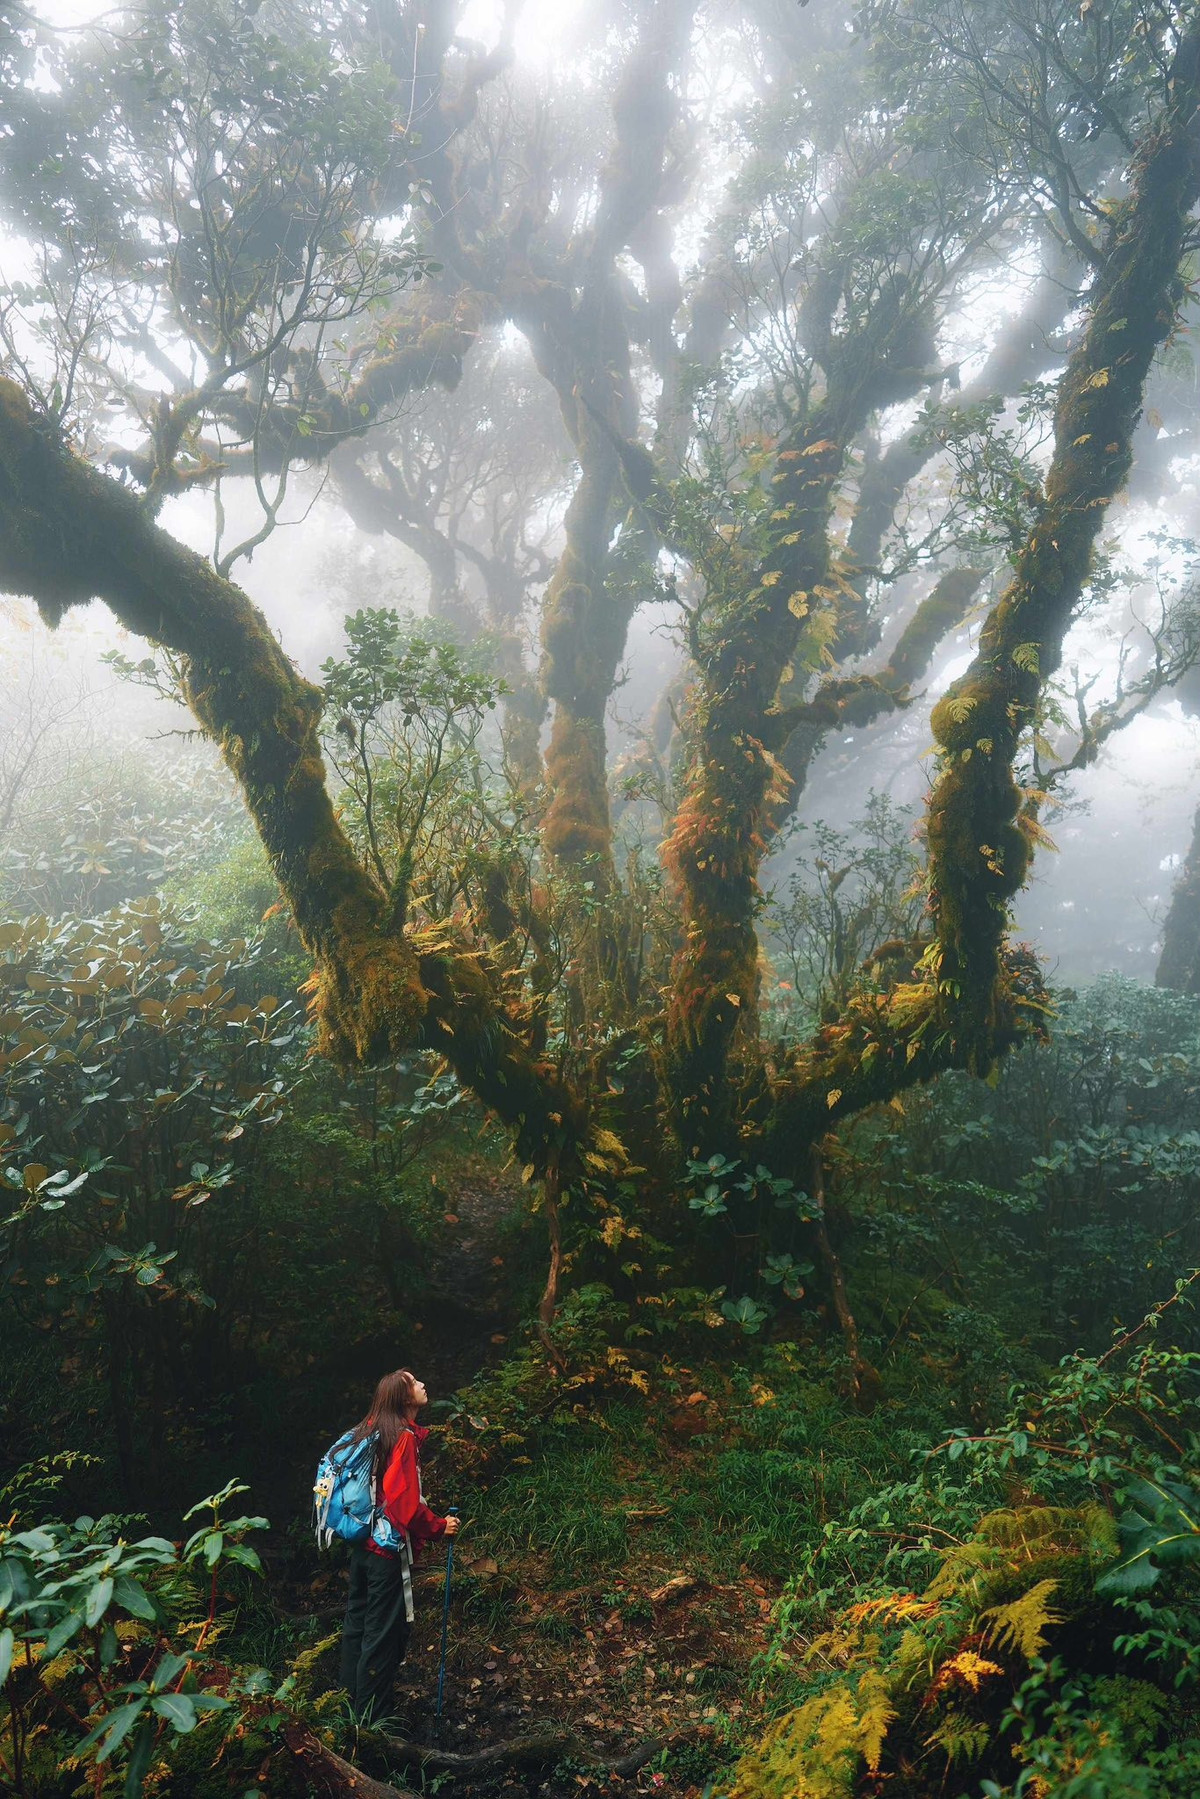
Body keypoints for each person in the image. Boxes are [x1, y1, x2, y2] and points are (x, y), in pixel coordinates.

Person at [338, 1368, 460, 1723]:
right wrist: (440, 1527)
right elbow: (403, 1504)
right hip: (386, 1555)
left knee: (356, 1630)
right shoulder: (402, 1438)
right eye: (415, 1383)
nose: (423, 1385)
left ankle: (346, 1713)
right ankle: (373, 1726)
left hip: (362, 1547)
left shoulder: (371, 1431)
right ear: (405, 1398)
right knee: (380, 1638)